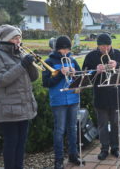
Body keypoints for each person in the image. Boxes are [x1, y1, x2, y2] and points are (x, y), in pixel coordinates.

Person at [0, 24, 38, 169]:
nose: (19, 41)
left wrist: (31, 64)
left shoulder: (20, 54)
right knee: (11, 143)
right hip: (7, 109)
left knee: (21, 144)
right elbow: (0, 80)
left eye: (19, 38)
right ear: (6, 39)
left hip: (24, 107)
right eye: (15, 38)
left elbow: (34, 78)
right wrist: (22, 65)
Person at [82, 33, 120, 160]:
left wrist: (117, 65)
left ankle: (116, 148)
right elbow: (84, 76)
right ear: (98, 46)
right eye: (103, 46)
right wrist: (95, 71)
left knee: (115, 123)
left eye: (108, 45)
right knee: (102, 124)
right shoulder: (91, 56)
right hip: (100, 96)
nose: (106, 49)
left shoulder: (118, 54)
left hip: (116, 95)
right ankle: (104, 149)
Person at [42, 35, 84, 169]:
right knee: (59, 130)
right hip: (58, 101)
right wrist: (60, 73)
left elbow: (81, 76)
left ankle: (73, 155)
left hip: (73, 99)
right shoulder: (49, 61)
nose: (66, 52)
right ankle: (58, 160)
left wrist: (75, 72)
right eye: (63, 49)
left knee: (73, 128)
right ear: (57, 49)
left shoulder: (72, 60)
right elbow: (46, 82)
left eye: (67, 49)